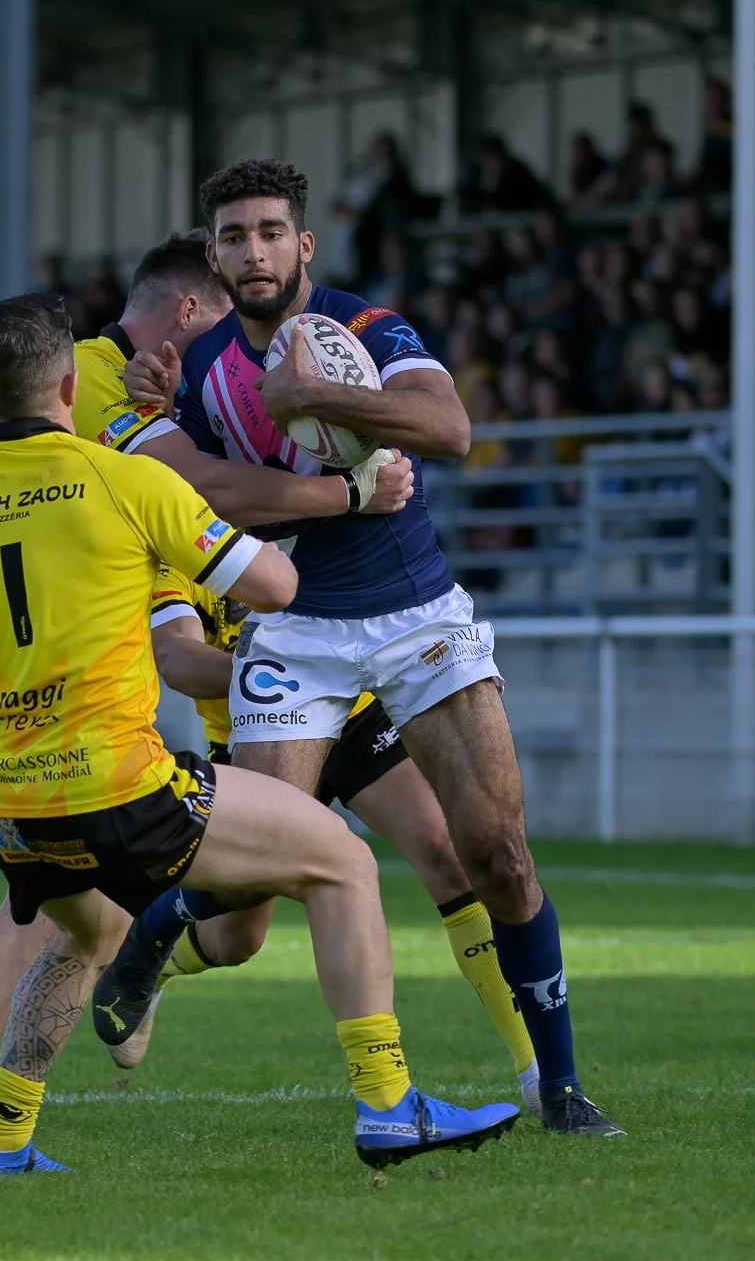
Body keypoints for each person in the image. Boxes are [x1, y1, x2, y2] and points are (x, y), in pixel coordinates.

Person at [0, 292, 517, 1173]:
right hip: (121, 784)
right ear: (70, 386)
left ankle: (2, 1139)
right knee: (343, 862)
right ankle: (387, 1103)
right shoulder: (130, 480)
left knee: (82, 935)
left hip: (8, 802)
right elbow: (276, 587)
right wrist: (344, 491)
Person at [121, 158, 623, 1134]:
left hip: (418, 614)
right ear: (213, 256)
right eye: (234, 236)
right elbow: (201, 494)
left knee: (496, 852)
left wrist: (322, 395)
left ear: (303, 243)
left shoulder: (370, 328)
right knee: (250, 885)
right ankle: (165, 924)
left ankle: (558, 1085)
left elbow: (449, 427)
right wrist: (176, 410)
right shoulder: (200, 370)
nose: (254, 251)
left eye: (271, 231)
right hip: (293, 629)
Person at [92, 558, 543, 1120]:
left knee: (449, 855)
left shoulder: (303, 534)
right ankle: (158, 952)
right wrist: (292, 671)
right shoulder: (180, 555)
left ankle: (537, 1072)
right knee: (237, 937)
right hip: (256, 733)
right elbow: (177, 659)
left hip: (356, 720)